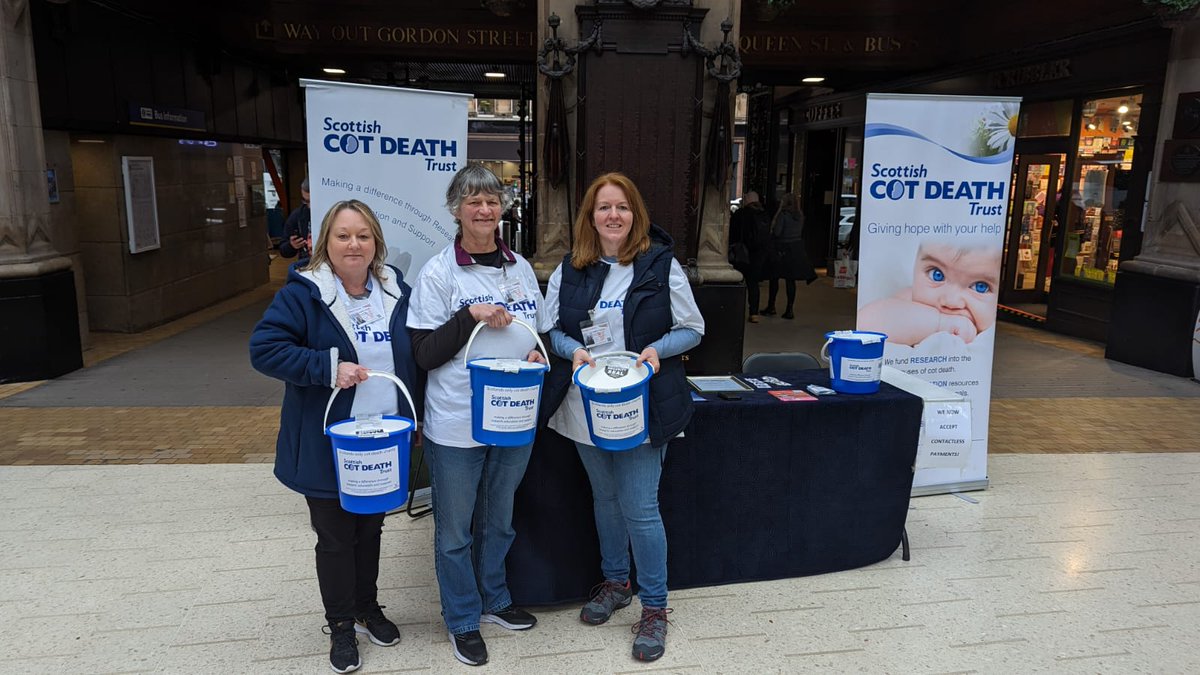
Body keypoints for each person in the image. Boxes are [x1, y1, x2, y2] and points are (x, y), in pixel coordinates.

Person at [249, 200, 420, 674]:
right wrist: (328, 367)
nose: (354, 244)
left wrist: (416, 416)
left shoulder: (394, 290)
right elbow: (264, 350)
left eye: (363, 236)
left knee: (372, 527)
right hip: (330, 440)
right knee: (335, 537)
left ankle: (368, 607)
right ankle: (341, 624)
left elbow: (409, 358)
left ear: (376, 244)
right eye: (343, 235)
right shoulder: (304, 294)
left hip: (383, 436)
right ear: (326, 241)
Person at [541, 172, 705, 663]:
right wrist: (573, 351)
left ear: (636, 215)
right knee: (605, 499)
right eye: (603, 207)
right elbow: (551, 328)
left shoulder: (659, 264)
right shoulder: (571, 269)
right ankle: (617, 584)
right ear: (590, 217)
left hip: (642, 405)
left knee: (639, 507)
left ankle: (654, 608)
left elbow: (693, 328)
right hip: (585, 405)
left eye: (622, 207)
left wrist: (657, 349)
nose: (613, 215)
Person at [406, 165, 545, 667]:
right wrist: (470, 315)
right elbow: (423, 353)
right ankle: (463, 618)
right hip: (456, 422)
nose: (484, 210)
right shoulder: (439, 271)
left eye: (491, 200)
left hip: (513, 418)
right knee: (455, 530)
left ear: (502, 208)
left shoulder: (521, 268)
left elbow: (540, 334)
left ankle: (495, 600)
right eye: (473, 202)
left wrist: (536, 353)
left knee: (500, 521)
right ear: (456, 210)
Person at [858, 239, 1001, 346]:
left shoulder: (986, 336)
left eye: (980, 286)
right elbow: (865, 325)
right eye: (937, 274)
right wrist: (941, 323)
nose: (951, 302)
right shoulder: (909, 302)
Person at [762, 192, 818, 320]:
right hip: (796, 248)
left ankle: (771, 306)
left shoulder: (783, 215)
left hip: (782, 248)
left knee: (774, 277)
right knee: (790, 280)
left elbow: (777, 232)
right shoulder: (800, 216)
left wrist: (774, 224)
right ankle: (789, 308)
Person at [727, 190, 772, 323]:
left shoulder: (741, 214)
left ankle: (735, 311)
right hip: (758, 254)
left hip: (742, 252)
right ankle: (754, 313)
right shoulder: (764, 214)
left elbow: (732, 232)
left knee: (738, 282)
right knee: (753, 284)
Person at [280, 178, 312, 259]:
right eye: (306, 201)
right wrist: (292, 245)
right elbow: (283, 250)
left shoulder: (336, 213)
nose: (309, 206)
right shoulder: (298, 215)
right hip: (307, 265)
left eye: (312, 201)